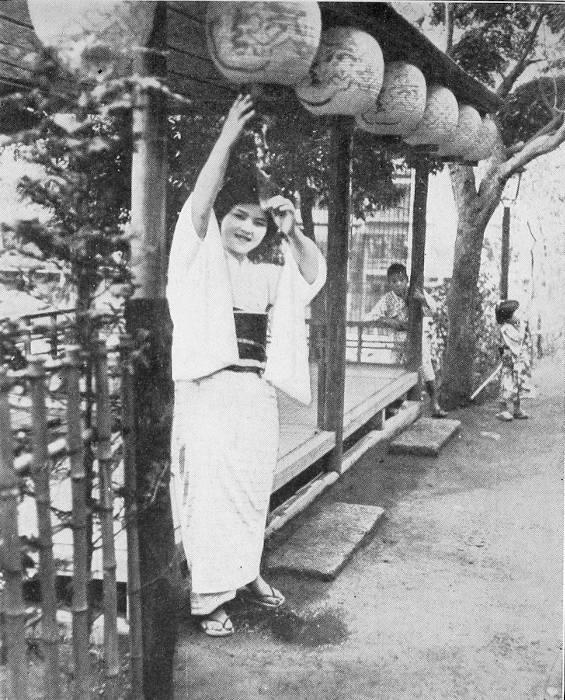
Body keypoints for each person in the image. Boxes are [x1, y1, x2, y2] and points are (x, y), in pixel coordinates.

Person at [166, 94, 326, 637]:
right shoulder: (195, 259)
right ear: (220, 217)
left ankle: (247, 572)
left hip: (255, 393)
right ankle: (209, 596)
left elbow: (312, 276)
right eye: (238, 215)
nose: (247, 228)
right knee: (211, 494)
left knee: (253, 490)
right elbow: (199, 202)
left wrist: (292, 229)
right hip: (208, 391)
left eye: (258, 222)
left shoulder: (264, 272)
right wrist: (228, 137)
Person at [366, 263, 447, 418]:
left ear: (407, 279)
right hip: (399, 340)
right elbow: (371, 316)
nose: (398, 284)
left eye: (401, 280)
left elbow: (434, 309)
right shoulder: (388, 299)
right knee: (398, 370)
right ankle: (394, 405)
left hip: (416, 337)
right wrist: (388, 321)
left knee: (426, 368)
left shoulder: (415, 292)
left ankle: (434, 404)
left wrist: (422, 299)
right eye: (393, 281)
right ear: (389, 283)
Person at [495, 299, 530, 421]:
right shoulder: (505, 328)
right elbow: (517, 339)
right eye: (514, 314)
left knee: (518, 381)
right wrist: (522, 326)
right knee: (507, 381)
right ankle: (502, 409)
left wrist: (521, 324)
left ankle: (517, 409)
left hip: (517, 358)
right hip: (509, 357)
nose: (516, 316)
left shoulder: (514, 324)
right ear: (507, 317)